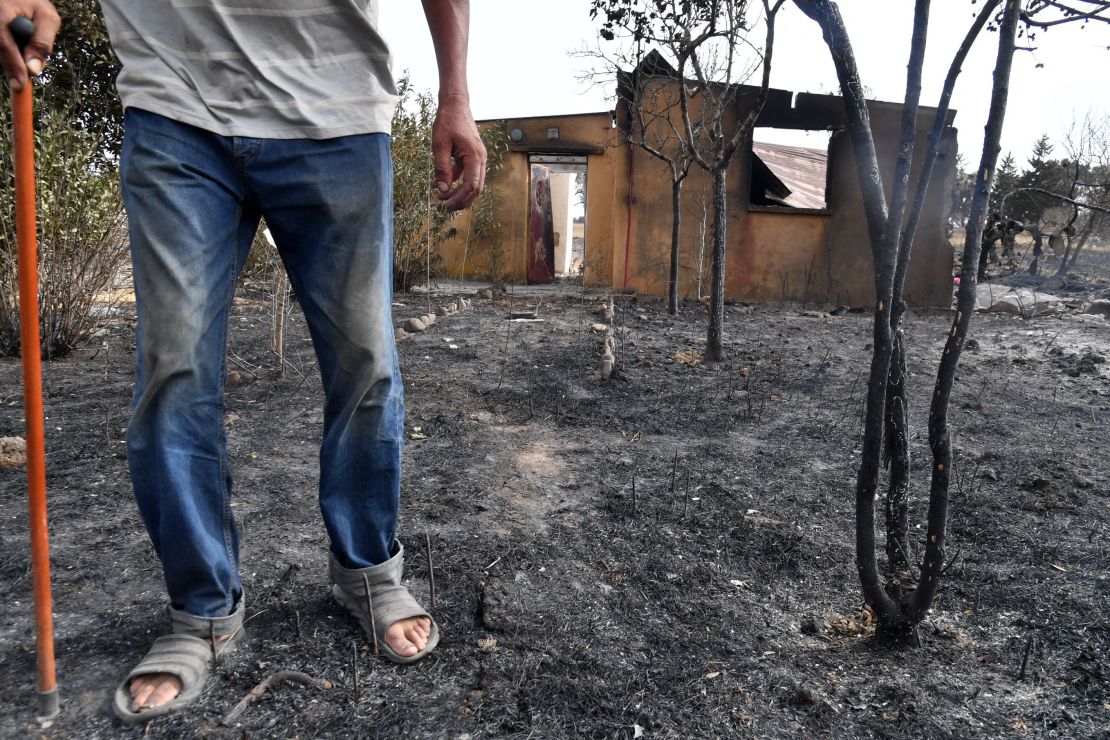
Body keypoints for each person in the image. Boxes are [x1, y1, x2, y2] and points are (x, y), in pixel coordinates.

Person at [0, 0, 486, 725]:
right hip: (174, 100)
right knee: (173, 373)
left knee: (366, 363)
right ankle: (201, 610)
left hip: (337, 105)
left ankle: (368, 571)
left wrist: (455, 92)